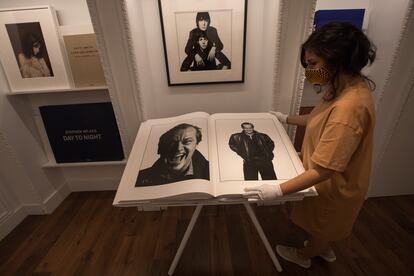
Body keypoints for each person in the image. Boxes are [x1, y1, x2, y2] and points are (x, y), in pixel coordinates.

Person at [243, 22, 376, 268]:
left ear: (338, 60)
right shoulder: (341, 90)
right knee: (323, 224)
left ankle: (305, 257)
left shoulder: (349, 107)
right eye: (308, 65)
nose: (309, 71)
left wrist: (278, 190)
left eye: (313, 64)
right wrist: (285, 118)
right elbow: (316, 118)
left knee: (324, 222)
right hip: (328, 181)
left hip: (334, 184)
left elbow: (325, 169)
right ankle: (321, 247)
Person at [136, 123, 209, 186]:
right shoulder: (140, 178)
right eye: (172, 142)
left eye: (187, 141)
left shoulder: (210, 172)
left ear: (196, 145)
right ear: (161, 148)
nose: (178, 148)